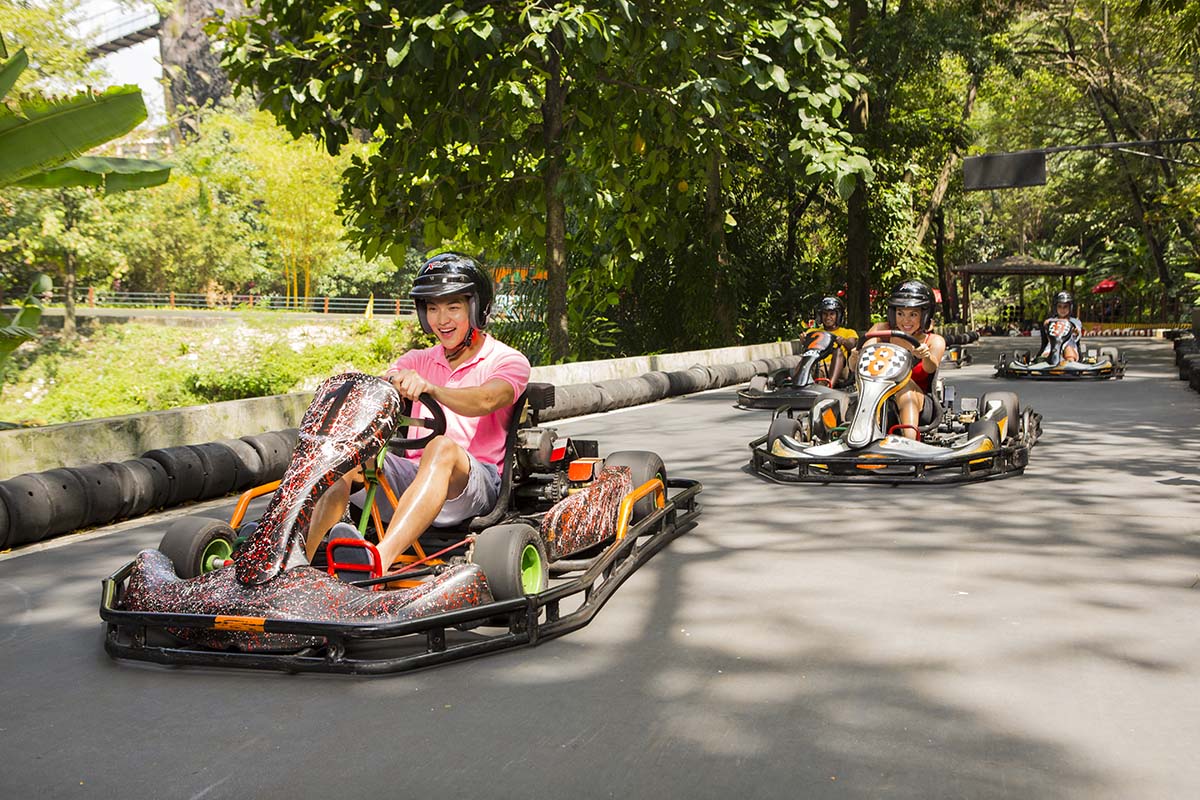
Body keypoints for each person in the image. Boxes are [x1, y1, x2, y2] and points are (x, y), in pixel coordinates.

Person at [306, 253, 531, 572]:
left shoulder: (508, 361)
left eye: (453, 307)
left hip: (476, 483)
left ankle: (378, 560)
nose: (442, 319)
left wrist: (433, 389)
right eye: (433, 308)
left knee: (440, 447)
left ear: (476, 308)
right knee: (346, 456)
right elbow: (383, 386)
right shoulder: (416, 359)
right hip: (414, 477)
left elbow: (486, 399)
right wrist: (387, 383)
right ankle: (296, 562)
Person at [863, 280, 946, 440]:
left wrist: (926, 356)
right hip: (877, 395)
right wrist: (855, 355)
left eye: (913, 314)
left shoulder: (933, 341)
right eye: (900, 313)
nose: (905, 320)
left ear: (925, 315)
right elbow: (859, 363)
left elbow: (930, 368)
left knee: (905, 387)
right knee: (841, 398)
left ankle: (910, 443)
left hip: (918, 402)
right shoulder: (881, 331)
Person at [798, 296, 858, 387]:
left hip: (839, 369)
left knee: (838, 352)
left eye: (831, 314)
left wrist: (843, 341)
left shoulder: (848, 332)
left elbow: (852, 344)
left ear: (838, 316)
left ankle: (830, 386)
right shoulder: (813, 332)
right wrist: (804, 340)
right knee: (805, 358)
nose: (828, 317)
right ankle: (797, 384)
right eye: (825, 314)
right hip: (816, 365)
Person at [1040, 290, 1084, 363]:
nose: (1062, 309)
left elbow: (1077, 333)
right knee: (1046, 355)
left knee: (1068, 350)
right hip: (1053, 346)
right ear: (1055, 308)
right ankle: (1047, 364)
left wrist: (1075, 331)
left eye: (1065, 307)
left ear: (1070, 307)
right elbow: (1046, 335)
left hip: (1069, 345)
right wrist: (1046, 326)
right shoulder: (1051, 321)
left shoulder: (1075, 322)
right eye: (1059, 306)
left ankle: (1070, 364)